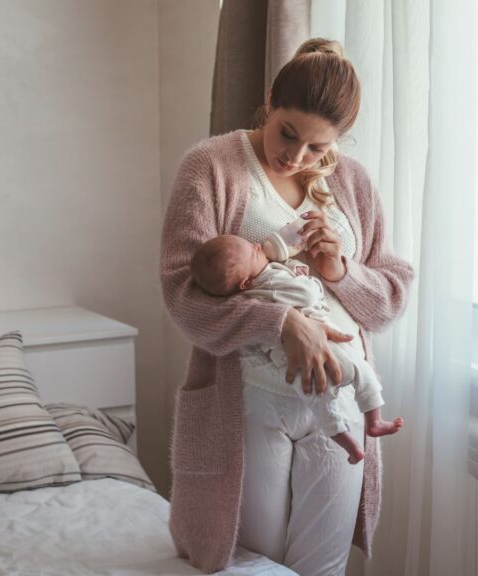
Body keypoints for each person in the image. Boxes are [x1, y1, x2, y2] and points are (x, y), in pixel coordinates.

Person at [160, 38, 413, 575]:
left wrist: (341, 272)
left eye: (318, 148)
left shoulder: (354, 183)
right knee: (258, 564)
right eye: (288, 133)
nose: (296, 157)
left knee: (323, 566)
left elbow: (390, 297)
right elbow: (183, 296)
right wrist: (281, 323)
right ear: (270, 99)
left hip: (338, 400)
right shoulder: (211, 167)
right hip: (249, 403)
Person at [189, 233, 404, 464]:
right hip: (327, 351)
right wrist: (309, 280)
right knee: (362, 373)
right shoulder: (269, 281)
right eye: (253, 251)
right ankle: (375, 420)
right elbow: (307, 294)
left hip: (292, 366)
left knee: (322, 404)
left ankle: (346, 442)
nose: (257, 244)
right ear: (246, 282)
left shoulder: (251, 293)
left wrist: (298, 269)